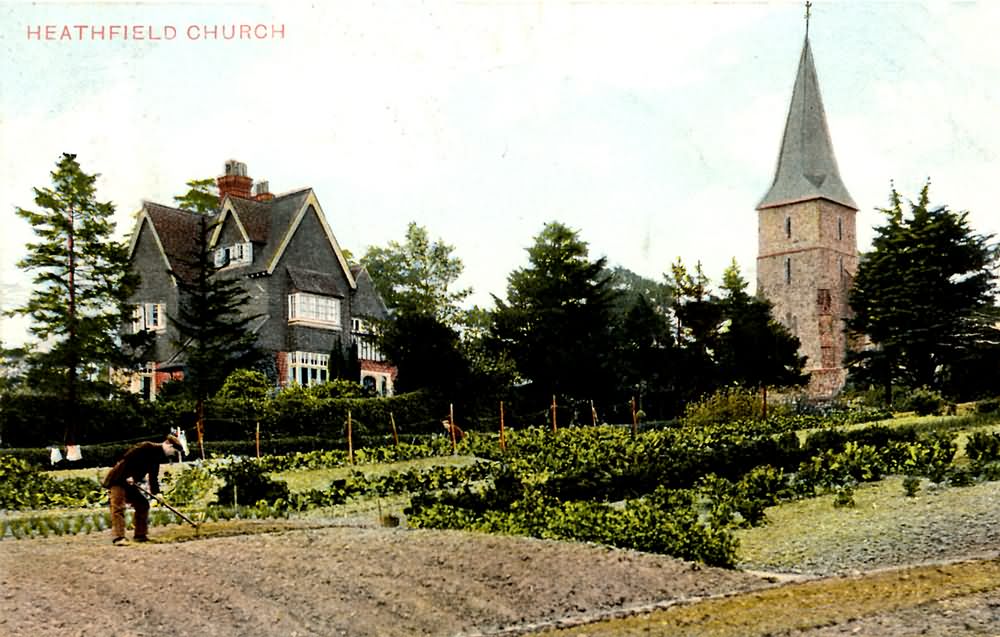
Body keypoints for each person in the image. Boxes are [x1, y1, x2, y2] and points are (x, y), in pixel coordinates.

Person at [101, 434, 184, 546]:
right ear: (168, 445)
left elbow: (153, 478)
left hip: (130, 482)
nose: (172, 455)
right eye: (173, 452)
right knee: (118, 506)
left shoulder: (156, 458)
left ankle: (140, 536)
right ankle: (118, 538)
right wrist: (128, 474)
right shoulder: (146, 447)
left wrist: (158, 494)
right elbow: (128, 457)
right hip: (119, 478)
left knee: (142, 504)